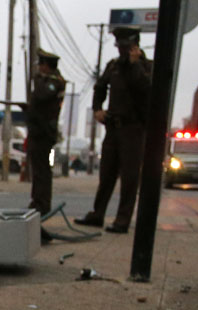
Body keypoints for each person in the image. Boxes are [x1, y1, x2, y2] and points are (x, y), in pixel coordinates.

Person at [75, 26, 153, 233]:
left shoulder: (146, 66)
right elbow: (99, 87)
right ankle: (97, 214)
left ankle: (122, 220)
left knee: (129, 177)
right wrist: (98, 109)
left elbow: (145, 89)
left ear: (134, 45)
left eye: (125, 46)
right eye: (119, 46)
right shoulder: (113, 66)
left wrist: (135, 65)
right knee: (106, 173)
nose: (121, 50)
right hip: (113, 126)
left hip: (134, 128)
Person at [26, 49, 66, 242]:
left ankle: (42, 204)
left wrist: (38, 79)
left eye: (41, 64)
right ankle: (37, 201)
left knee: (42, 170)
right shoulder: (47, 81)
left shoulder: (54, 81)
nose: (39, 68)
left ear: (46, 65)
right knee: (38, 170)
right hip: (37, 131)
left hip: (44, 132)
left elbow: (42, 96)